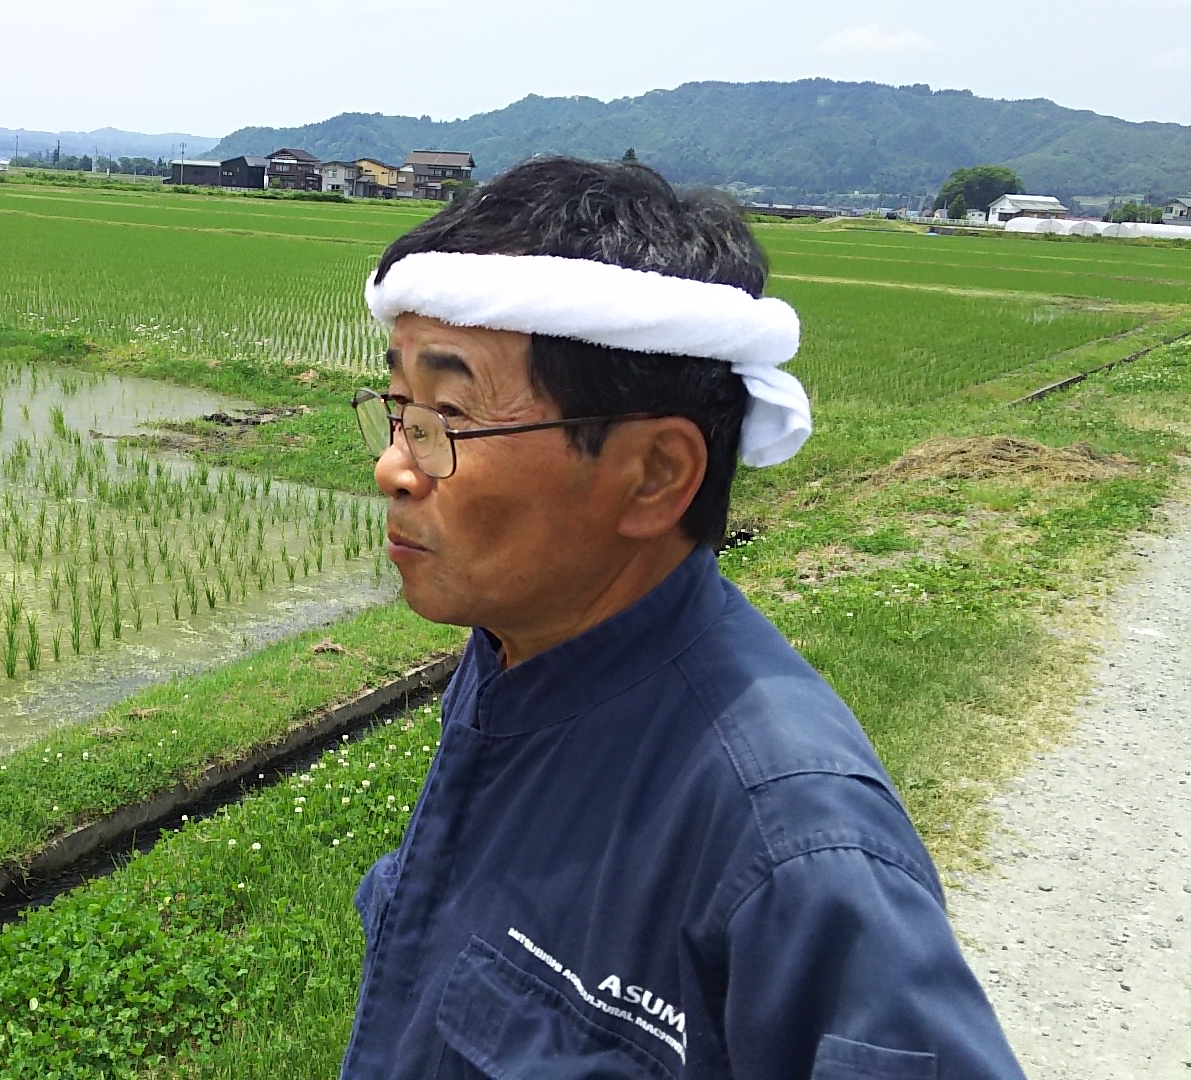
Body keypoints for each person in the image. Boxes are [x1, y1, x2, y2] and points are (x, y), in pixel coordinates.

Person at [342, 157, 1023, 1080]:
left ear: (656, 475)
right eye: (401, 407)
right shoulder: (522, 647)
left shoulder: (793, 843)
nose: (395, 464)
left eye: (450, 415)